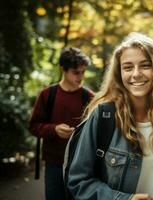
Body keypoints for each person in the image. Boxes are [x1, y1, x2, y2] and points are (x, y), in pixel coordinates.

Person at [67, 32, 153, 200]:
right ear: (119, 74)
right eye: (128, 67)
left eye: (145, 65)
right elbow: (79, 181)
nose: (136, 74)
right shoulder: (104, 116)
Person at [29, 47, 94, 200]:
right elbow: (33, 126)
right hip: (54, 163)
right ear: (63, 69)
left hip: (81, 165)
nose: (81, 76)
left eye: (83, 72)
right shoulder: (47, 94)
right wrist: (54, 129)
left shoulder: (89, 97)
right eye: (76, 72)